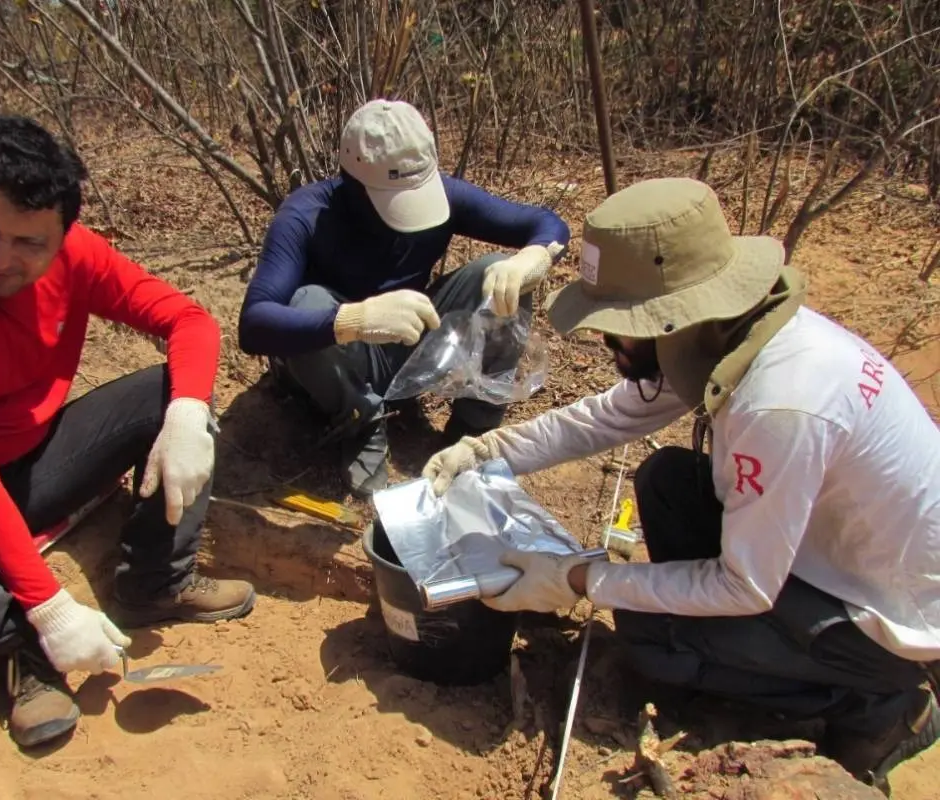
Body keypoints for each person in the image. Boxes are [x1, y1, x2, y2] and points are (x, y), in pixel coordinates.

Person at [422, 177, 940, 794]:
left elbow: (743, 584)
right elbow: (607, 417)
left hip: (884, 622)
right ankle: (736, 653)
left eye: (617, 325)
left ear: (672, 314)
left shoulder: (780, 404)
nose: (607, 340)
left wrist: (577, 578)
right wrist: (488, 449)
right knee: (665, 480)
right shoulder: (727, 334)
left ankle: (880, 710)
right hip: (828, 557)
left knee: (649, 637)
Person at [0, 114, 256, 750]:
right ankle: (23, 654)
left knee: (172, 392)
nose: (1, 259)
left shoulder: (77, 256)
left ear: (64, 234)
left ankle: (155, 580)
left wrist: (189, 413)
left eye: (30, 243)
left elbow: (189, 321)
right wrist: (50, 608)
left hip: (30, 465)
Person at [238, 99, 570, 496]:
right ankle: (361, 419)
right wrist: (354, 319)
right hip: (337, 365)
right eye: (394, 196)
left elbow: (545, 223)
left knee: (497, 272)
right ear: (353, 182)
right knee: (306, 302)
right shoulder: (306, 216)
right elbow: (254, 325)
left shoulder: (446, 196)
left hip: (413, 343)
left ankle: (473, 431)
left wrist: (533, 258)